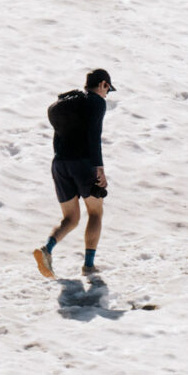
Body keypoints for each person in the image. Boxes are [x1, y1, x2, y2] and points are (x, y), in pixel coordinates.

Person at [33, 69, 114, 278]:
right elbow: (94, 136)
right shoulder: (96, 102)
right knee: (95, 212)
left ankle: (47, 249)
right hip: (84, 163)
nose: (107, 94)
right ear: (103, 84)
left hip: (60, 163)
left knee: (70, 218)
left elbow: (57, 137)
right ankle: (88, 266)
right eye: (108, 90)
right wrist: (99, 168)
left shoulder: (69, 104)